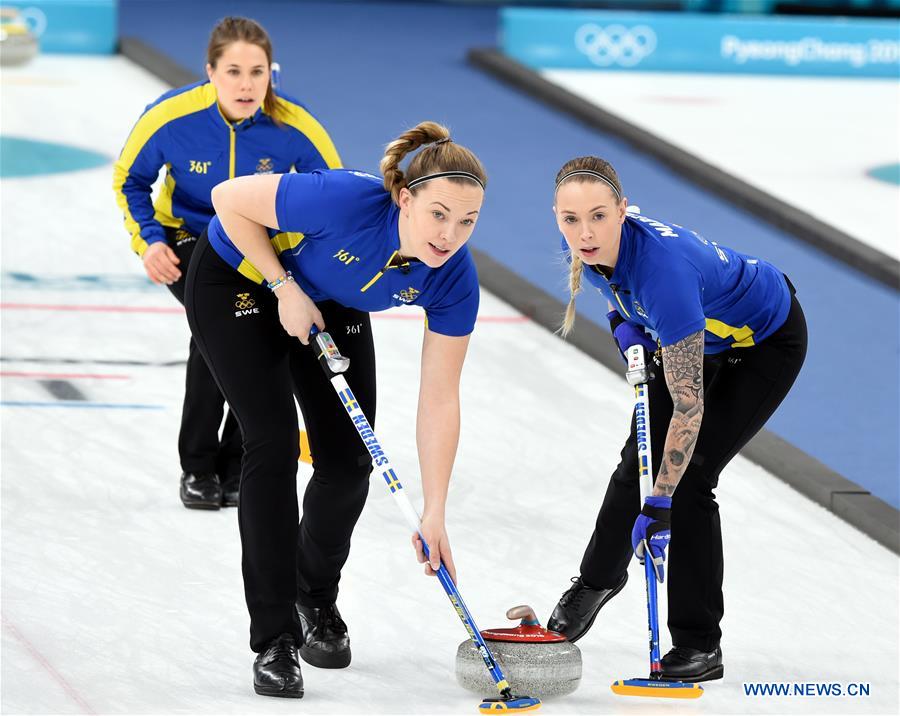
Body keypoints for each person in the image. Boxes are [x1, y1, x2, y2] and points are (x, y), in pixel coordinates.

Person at [184, 121, 486, 698]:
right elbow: (227, 200)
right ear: (405, 198)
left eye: (467, 221)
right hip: (240, 279)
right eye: (439, 214)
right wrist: (282, 287)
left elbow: (440, 396)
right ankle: (274, 640)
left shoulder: (453, 279)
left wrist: (435, 510)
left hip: (330, 300)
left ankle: (313, 597)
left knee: (349, 462)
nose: (450, 235)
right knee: (271, 443)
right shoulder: (345, 199)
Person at [545, 156, 807, 683]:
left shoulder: (662, 272)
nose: (585, 232)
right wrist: (624, 329)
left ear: (623, 210)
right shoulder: (596, 254)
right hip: (695, 337)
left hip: (764, 343)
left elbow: (689, 406)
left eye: (598, 216)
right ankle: (595, 583)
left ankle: (698, 644)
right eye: (571, 219)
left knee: (689, 483)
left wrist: (661, 503)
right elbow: (623, 301)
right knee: (633, 464)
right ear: (557, 216)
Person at [113, 16, 341, 509]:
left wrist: (302, 255)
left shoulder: (294, 123)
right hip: (189, 238)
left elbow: (334, 192)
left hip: (258, 247)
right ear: (210, 72)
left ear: (271, 74)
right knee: (219, 331)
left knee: (260, 334)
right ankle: (197, 467)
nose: (246, 84)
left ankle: (237, 463)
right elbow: (129, 179)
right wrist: (149, 241)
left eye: (257, 72)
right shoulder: (171, 117)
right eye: (233, 71)